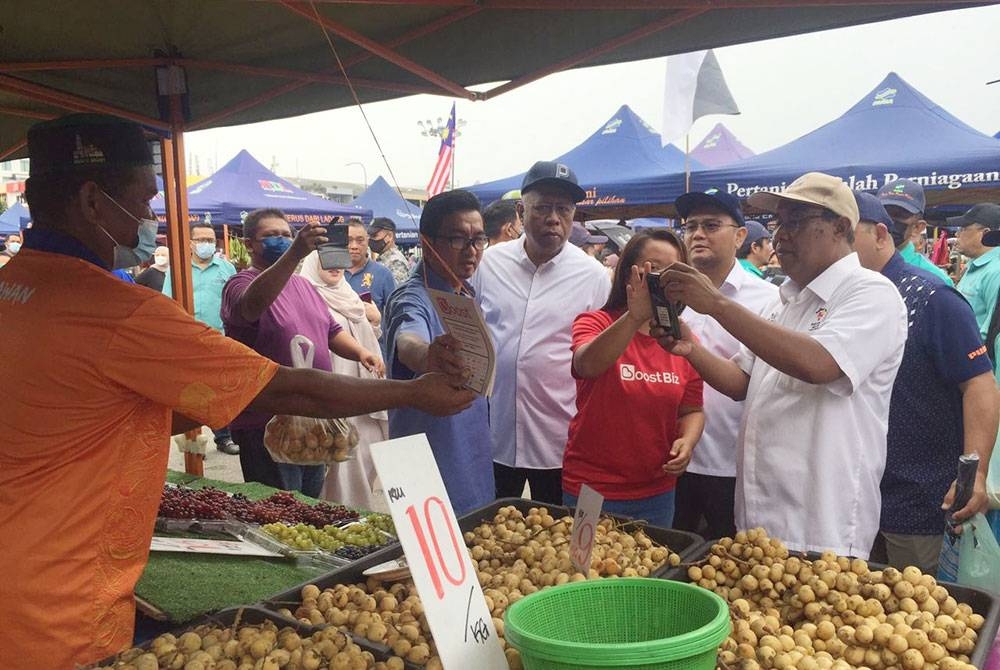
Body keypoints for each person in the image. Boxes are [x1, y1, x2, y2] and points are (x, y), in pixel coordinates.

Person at [0, 113, 473, 670]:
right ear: (91, 200)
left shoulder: (13, 286)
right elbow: (287, 391)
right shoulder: (117, 312)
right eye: (145, 200)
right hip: (57, 609)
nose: (151, 218)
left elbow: (95, 412)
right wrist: (412, 393)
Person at [655, 172, 907, 558]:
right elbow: (742, 381)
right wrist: (690, 348)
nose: (780, 236)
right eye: (778, 223)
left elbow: (820, 364)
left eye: (796, 222)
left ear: (841, 228)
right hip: (760, 517)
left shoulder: (871, 292)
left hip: (823, 525)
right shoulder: (783, 301)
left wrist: (718, 305)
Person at [852, 192, 997, 573]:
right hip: (853, 494)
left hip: (917, 496)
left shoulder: (931, 296)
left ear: (879, 234)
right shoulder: (841, 299)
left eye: (844, 233)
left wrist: (975, 474)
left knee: (916, 600)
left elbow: (979, 385)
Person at [222, 208, 386, 497]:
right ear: (249, 244)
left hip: (313, 420)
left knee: (310, 504)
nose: (282, 240)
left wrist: (361, 352)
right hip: (267, 424)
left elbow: (331, 330)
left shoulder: (303, 286)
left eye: (286, 234)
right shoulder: (240, 284)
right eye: (271, 235)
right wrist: (294, 254)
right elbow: (249, 307)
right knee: (279, 507)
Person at [474, 161, 611, 504]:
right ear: (521, 212)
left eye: (564, 210)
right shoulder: (489, 264)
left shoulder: (593, 276)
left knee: (554, 529)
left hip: (559, 439)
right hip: (495, 433)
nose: (554, 218)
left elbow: (601, 354)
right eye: (543, 208)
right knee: (488, 525)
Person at [563, 230, 704, 527]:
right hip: (592, 487)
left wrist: (687, 442)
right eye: (653, 270)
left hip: (657, 491)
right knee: (584, 559)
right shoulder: (595, 322)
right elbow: (586, 365)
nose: (662, 282)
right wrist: (633, 316)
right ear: (630, 274)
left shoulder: (681, 339)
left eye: (673, 274)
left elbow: (692, 409)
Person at [669, 189, 778, 540]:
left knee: (727, 560)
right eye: (691, 227)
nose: (698, 234)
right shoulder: (668, 295)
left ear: (740, 236)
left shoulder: (768, 300)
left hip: (733, 465)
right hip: (672, 458)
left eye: (711, 225)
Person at [382, 190, 495, 514]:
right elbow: (408, 340)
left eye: (478, 239)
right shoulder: (412, 297)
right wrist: (427, 355)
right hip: (426, 472)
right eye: (458, 239)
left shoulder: (464, 292)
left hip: (470, 461)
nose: (471, 251)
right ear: (427, 243)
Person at [299, 252, 389, 511]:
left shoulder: (348, 294)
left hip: (365, 395)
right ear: (314, 264)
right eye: (327, 262)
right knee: (340, 463)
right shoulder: (307, 297)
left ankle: (357, 515)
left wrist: (375, 321)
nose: (335, 267)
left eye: (339, 262)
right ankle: (341, 516)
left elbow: (364, 335)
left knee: (364, 455)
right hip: (333, 393)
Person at [164, 223, 240, 454]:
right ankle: (193, 441)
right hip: (189, 341)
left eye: (210, 240)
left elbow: (235, 303)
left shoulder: (226, 268)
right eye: (201, 240)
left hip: (220, 338)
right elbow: (167, 302)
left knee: (220, 390)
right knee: (193, 392)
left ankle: (224, 437)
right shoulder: (178, 269)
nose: (206, 244)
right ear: (190, 243)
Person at [876, 178, 953, 284]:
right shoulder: (860, 264)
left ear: (917, 228)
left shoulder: (936, 280)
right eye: (883, 211)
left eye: (899, 215)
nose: (888, 220)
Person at [952, 203, 1000, 340]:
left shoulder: (995, 271)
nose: (956, 234)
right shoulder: (975, 265)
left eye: (963, 228)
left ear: (985, 233)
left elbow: (991, 333)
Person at [344, 219, 396, 313]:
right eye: (349, 240)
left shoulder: (383, 274)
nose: (354, 246)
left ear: (367, 242)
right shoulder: (332, 273)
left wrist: (377, 319)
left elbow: (396, 313)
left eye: (360, 240)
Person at [368, 217, 410, 284]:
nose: (370, 239)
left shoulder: (396, 263)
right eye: (369, 236)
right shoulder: (384, 258)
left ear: (389, 236)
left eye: (374, 236)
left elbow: (397, 289)